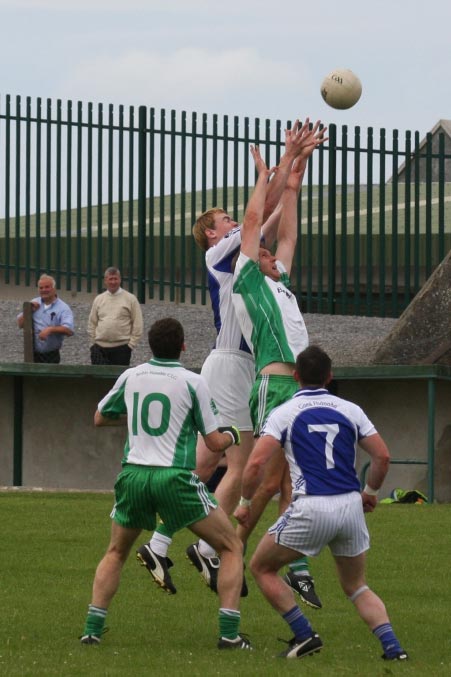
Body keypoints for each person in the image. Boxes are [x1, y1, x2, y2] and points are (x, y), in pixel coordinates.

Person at [136, 118, 314, 599]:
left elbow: (273, 219)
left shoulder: (248, 261)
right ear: (212, 236)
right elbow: (264, 215)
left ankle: (159, 540)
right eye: (225, 223)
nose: (233, 224)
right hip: (233, 365)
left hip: (231, 366)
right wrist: (281, 169)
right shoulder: (219, 257)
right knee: (240, 466)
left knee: (207, 461)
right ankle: (217, 547)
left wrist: (291, 171)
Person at [80, 317, 251, 650]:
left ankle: (92, 630)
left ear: (149, 346)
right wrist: (232, 433)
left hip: (133, 475)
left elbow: (99, 417)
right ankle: (230, 635)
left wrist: (136, 424)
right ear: (183, 346)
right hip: (173, 478)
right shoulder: (193, 381)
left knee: (116, 552)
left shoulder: (131, 375)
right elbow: (215, 443)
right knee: (231, 547)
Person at [234, 345, 408, 661]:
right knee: (357, 586)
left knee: (261, 567)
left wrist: (245, 502)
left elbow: (256, 464)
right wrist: (370, 492)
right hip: (349, 506)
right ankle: (394, 649)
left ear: (296, 376)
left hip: (311, 506)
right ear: (330, 376)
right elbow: (382, 456)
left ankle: (305, 635)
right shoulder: (350, 410)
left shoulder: (284, 412)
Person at [231, 121, 326, 608]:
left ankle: (300, 567)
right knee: (267, 478)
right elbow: (253, 225)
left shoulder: (280, 281)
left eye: (270, 253)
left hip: (301, 390)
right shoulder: (247, 278)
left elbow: (287, 236)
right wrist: (268, 176)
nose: (268, 252)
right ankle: (228, 550)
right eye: (261, 252)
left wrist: (293, 181)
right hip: (273, 386)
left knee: (294, 479)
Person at [88, 267, 143, 366]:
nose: (113, 282)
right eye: (110, 279)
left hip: (122, 349)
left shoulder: (130, 299)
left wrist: (131, 345)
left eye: (115, 279)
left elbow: (137, 324)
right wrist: (92, 344)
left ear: (120, 280)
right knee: (98, 380)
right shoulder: (99, 299)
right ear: (105, 281)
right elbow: (92, 323)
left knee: (118, 379)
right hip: (99, 348)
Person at [16, 274, 74, 363]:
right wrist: (28, 312)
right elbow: (20, 324)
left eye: (47, 287)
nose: (44, 290)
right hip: (31, 354)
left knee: (49, 377)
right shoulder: (34, 302)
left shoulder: (63, 308)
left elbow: (69, 330)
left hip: (51, 355)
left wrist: (50, 330)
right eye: (41, 288)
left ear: (54, 289)